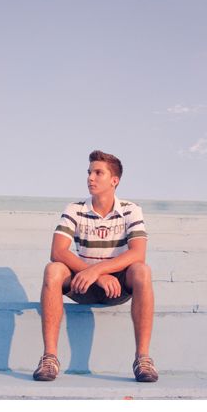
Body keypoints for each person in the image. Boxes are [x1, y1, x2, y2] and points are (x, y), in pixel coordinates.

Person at [33, 150, 158, 382]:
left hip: (117, 287)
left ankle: (143, 359)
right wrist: (94, 275)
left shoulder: (131, 209)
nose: (90, 178)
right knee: (53, 269)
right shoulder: (75, 208)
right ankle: (49, 358)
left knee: (142, 271)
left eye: (98, 173)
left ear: (114, 180)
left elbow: (138, 253)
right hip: (83, 284)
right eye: (89, 172)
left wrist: (99, 270)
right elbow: (57, 251)